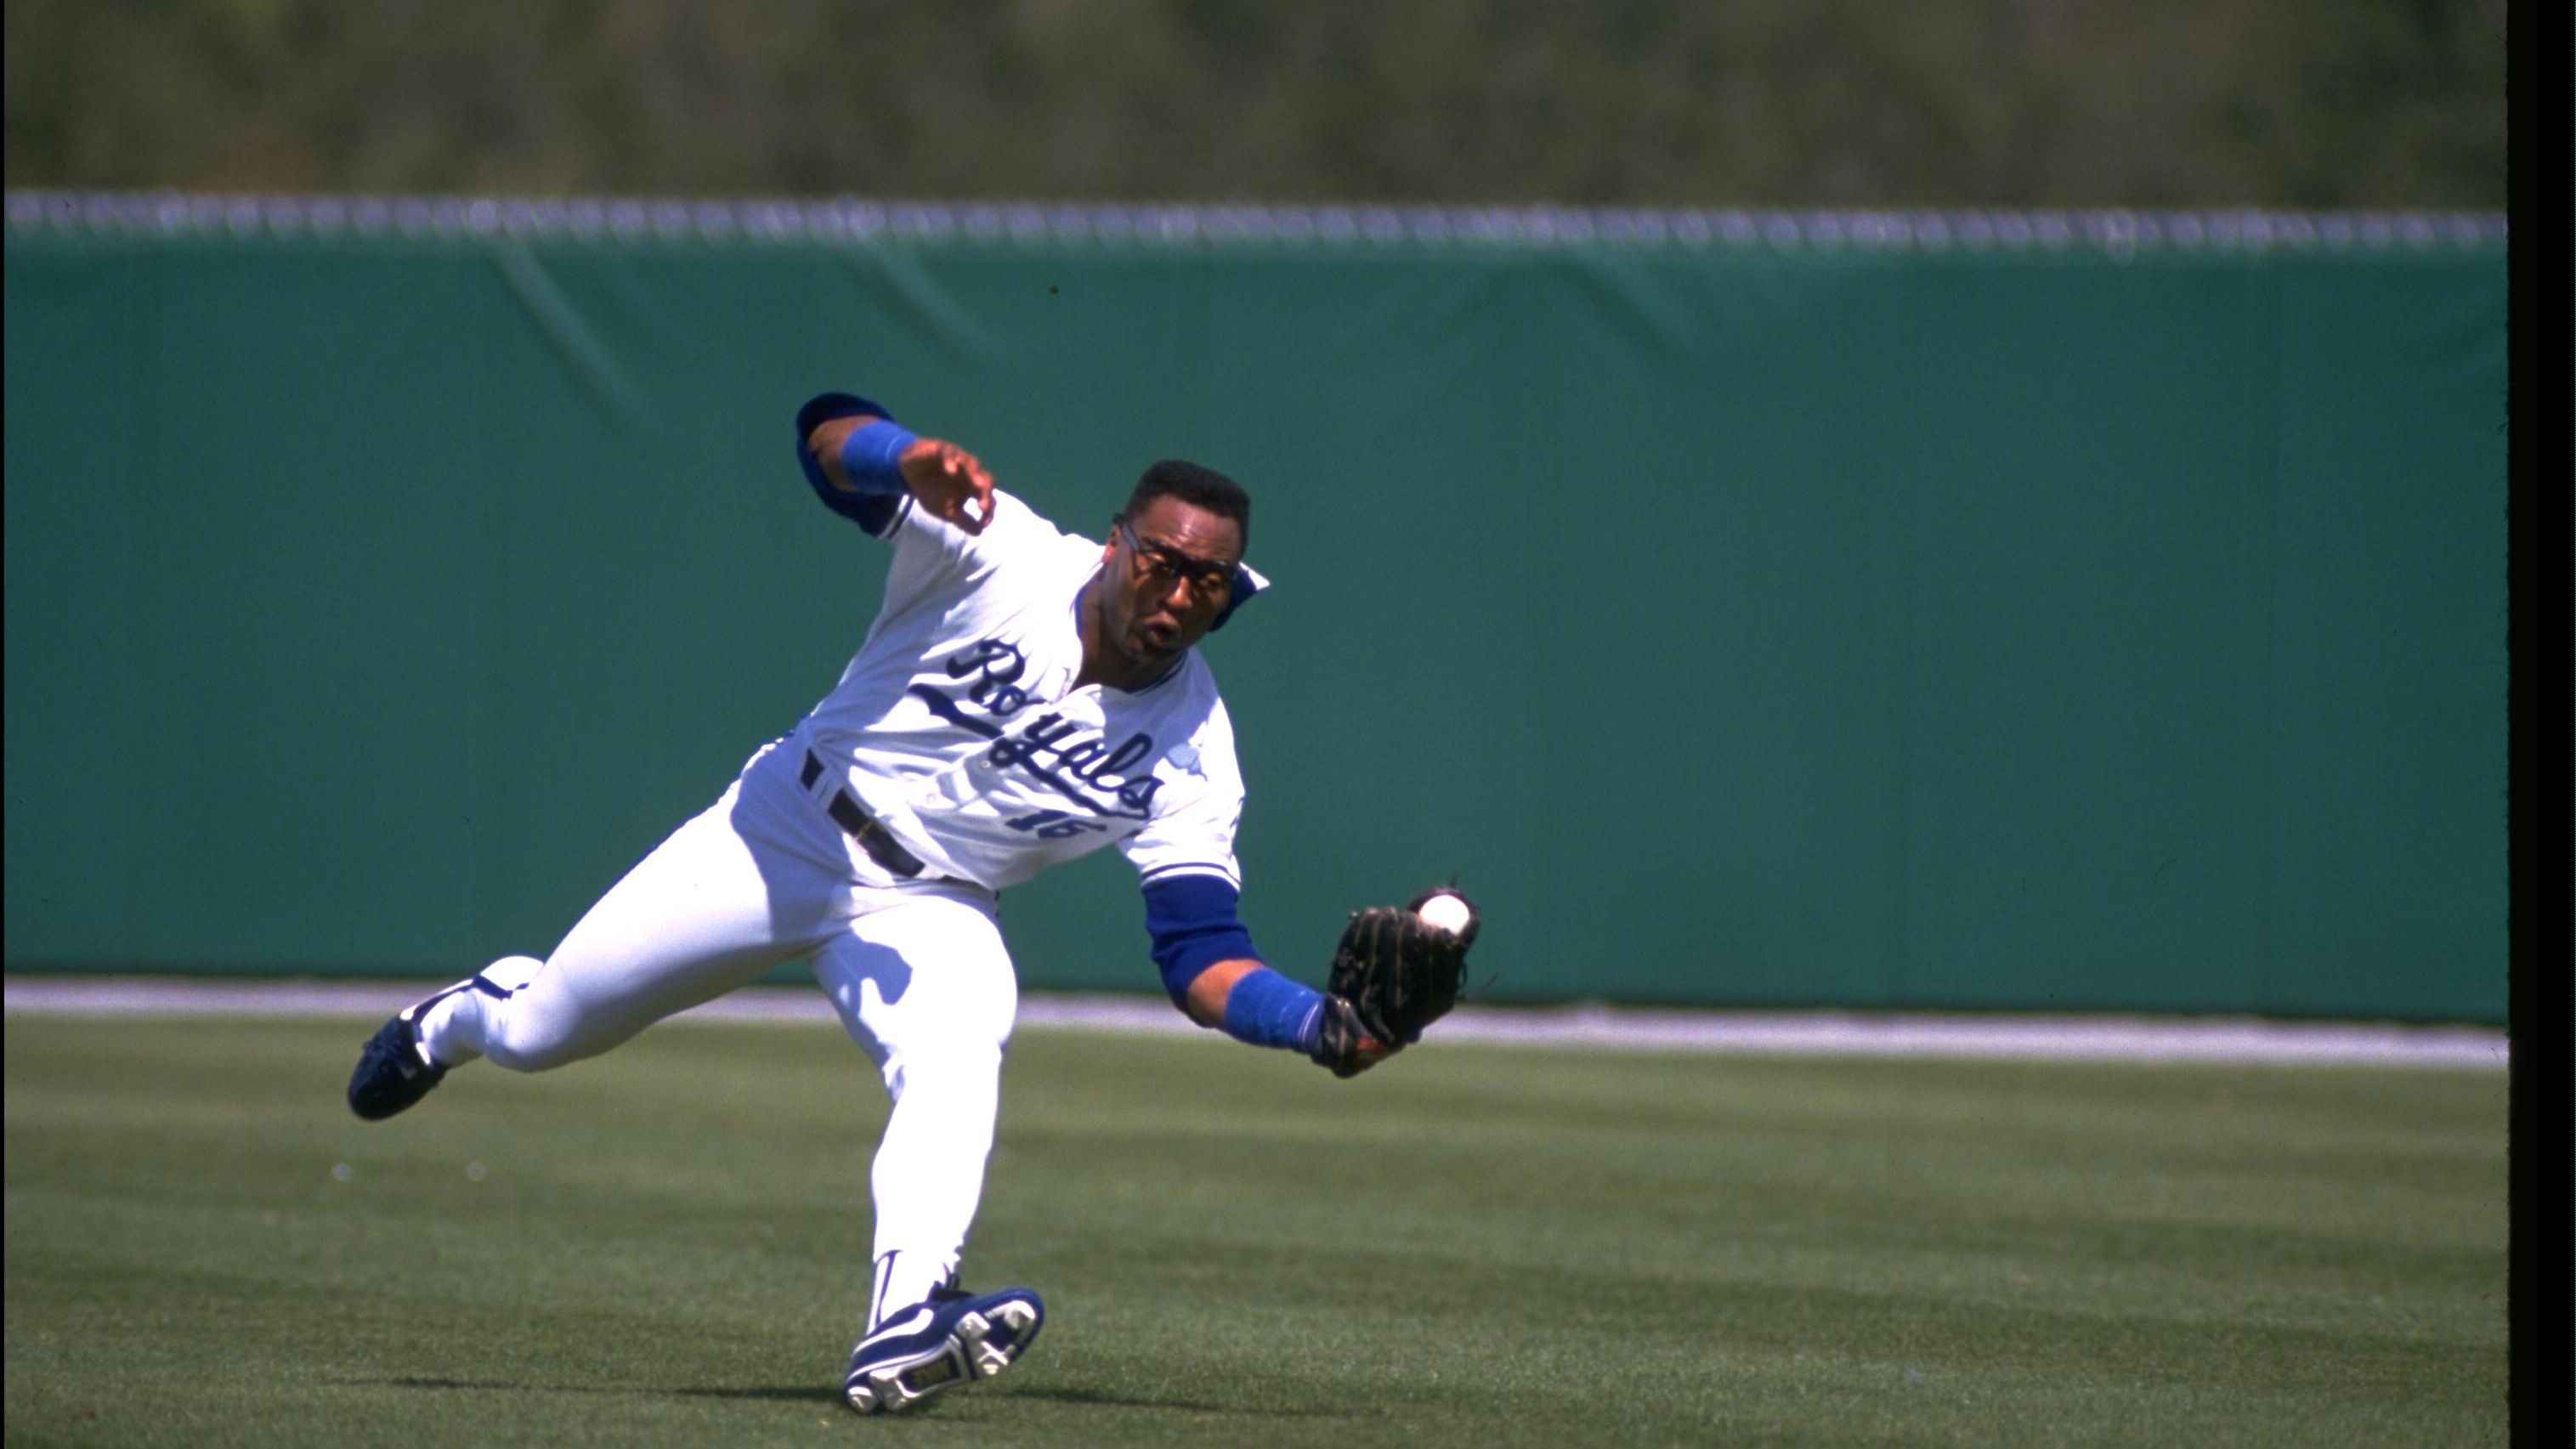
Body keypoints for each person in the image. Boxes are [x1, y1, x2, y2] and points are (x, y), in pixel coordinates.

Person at [345, 390, 1399, 1414]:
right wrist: (900, 458)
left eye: (1206, 583)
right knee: (543, 1033)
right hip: (783, 829)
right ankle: (463, 1015)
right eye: (1162, 564)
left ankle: (903, 1319)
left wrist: (1313, 1024)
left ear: (1232, 594)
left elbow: (1199, 951)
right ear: (1118, 544)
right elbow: (821, 432)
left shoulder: (1194, 755)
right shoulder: (1002, 552)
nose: (1176, 596)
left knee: (959, 1048)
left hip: (934, 901)